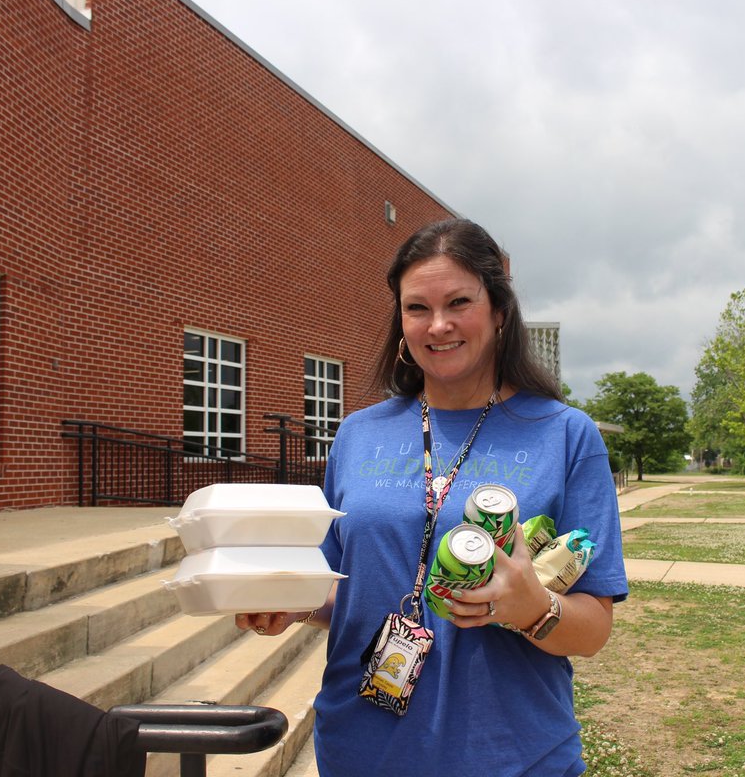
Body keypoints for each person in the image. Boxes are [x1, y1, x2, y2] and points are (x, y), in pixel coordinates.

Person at [237, 218, 628, 776]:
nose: (438, 325)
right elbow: (344, 594)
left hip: (512, 756)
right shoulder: (357, 434)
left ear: (498, 311)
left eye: (459, 302)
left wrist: (532, 610)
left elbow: (593, 630)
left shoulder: (566, 436)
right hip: (363, 750)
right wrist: (290, 602)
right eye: (417, 307)